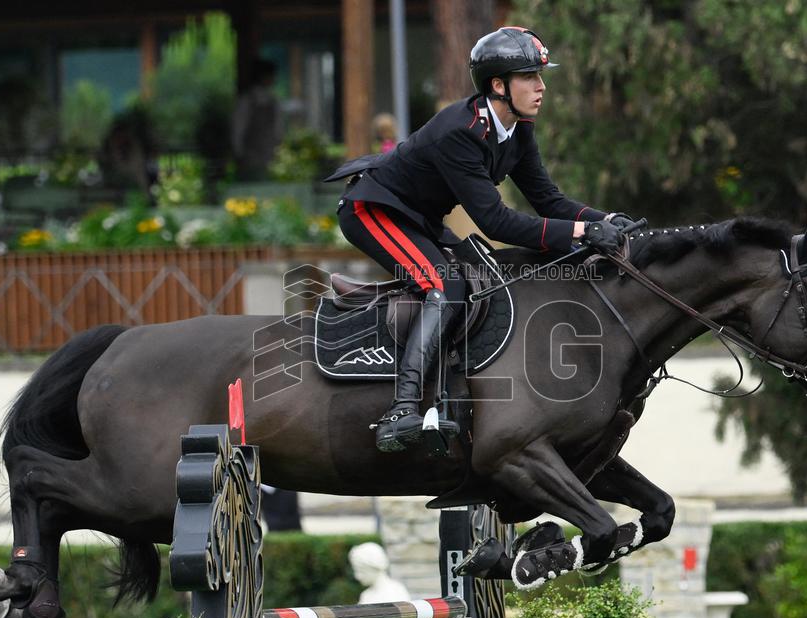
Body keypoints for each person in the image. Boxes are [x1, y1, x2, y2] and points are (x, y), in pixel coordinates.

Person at [326, 27, 633, 452]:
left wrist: (609, 221)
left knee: (485, 277)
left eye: (541, 76)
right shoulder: (460, 131)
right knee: (444, 285)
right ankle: (402, 409)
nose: (542, 87)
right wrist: (583, 232)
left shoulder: (519, 128)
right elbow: (496, 222)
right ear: (498, 86)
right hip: (373, 210)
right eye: (530, 77)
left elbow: (547, 199)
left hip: (418, 216)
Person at [231, 58, 283, 180]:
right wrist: (238, 152)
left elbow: (278, 129)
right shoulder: (247, 101)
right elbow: (238, 128)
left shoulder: (273, 100)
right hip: (251, 156)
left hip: (270, 155)